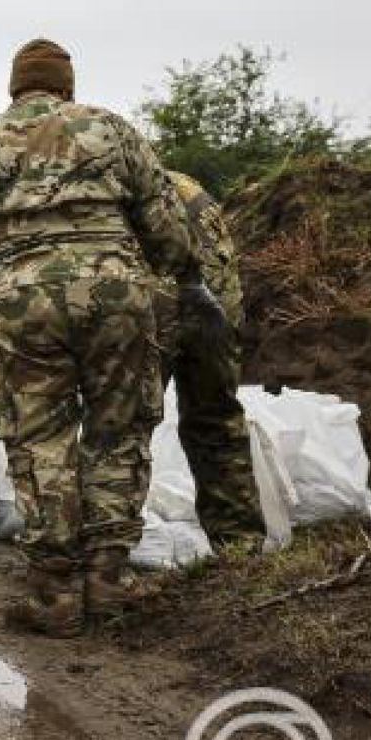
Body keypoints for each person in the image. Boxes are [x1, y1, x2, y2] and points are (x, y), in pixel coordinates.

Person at [0, 38, 226, 638]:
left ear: (14, 86)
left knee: (40, 438)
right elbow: (164, 219)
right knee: (119, 427)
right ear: (68, 85)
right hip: (116, 292)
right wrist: (191, 283)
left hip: (23, 297)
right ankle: (110, 579)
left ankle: (54, 592)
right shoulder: (114, 131)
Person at [153, 169, 263, 551]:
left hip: (164, 300)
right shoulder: (188, 185)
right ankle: (240, 547)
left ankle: (105, 562)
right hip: (219, 306)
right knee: (217, 420)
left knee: (123, 430)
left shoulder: (124, 188)